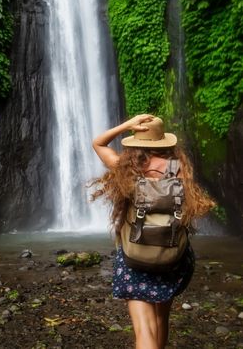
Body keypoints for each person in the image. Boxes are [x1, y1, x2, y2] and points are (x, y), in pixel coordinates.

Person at [91, 114, 215, 349]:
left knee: (144, 329)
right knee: (160, 319)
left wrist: (127, 125)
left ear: (135, 142)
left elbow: (98, 143)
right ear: (164, 143)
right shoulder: (180, 171)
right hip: (172, 257)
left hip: (134, 258)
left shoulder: (126, 170)